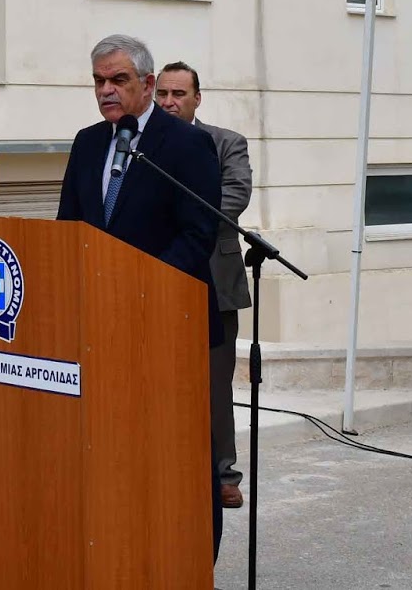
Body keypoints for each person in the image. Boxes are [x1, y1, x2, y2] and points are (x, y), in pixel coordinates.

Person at [56, 34, 223, 556]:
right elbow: (68, 227)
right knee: (114, 447)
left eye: (118, 80)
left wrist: (138, 288)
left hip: (167, 320)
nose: (106, 90)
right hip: (99, 325)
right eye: (99, 81)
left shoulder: (186, 144)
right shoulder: (88, 142)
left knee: (178, 450)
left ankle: (194, 560)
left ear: (148, 85)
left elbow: (197, 234)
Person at [156, 61, 252, 510]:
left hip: (215, 277)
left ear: (197, 98)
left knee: (215, 385)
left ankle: (223, 475)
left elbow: (234, 196)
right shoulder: (144, 145)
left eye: (178, 94)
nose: (169, 103)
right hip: (155, 275)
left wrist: (181, 221)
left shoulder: (226, 143)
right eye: (162, 94)